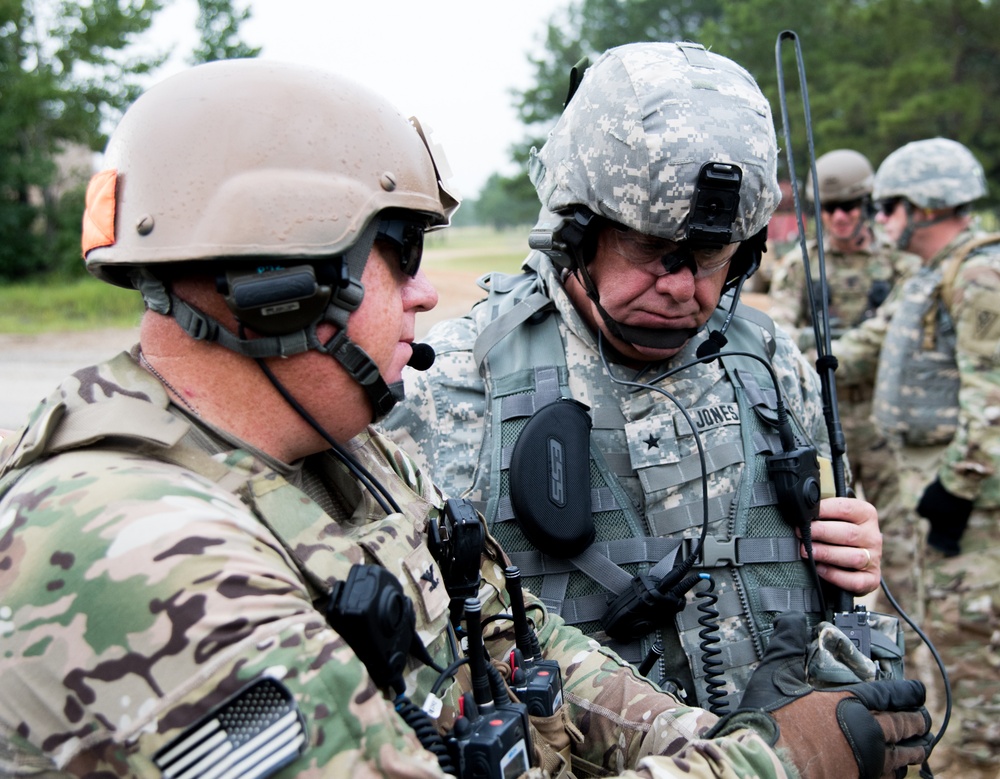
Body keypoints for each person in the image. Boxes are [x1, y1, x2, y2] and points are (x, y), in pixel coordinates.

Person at [0, 58, 932, 779]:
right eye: (399, 255)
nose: (425, 294)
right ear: (277, 281)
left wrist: (700, 735)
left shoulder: (343, 460)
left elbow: (510, 642)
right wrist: (777, 760)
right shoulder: (137, 551)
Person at [380, 41, 892, 716]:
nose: (683, 287)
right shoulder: (449, 390)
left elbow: (843, 583)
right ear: (575, 230)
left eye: (710, 257)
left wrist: (856, 563)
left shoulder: (768, 363)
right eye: (653, 250)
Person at [834, 137, 1000, 778]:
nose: (879, 219)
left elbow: (993, 398)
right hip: (931, 486)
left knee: (972, 639)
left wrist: (958, 491)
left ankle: (975, 761)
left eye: (890, 206)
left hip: (970, 505)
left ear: (925, 207)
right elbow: (861, 347)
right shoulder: (932, 275)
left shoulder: (978, 273)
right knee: (941, 632)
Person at [768, 149, 920, 510]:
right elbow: (779, 338)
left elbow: (890, 336)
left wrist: (821, 352)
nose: (839, 216)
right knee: (833, 525)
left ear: (867, 204)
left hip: (886, 417)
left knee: (901, 534)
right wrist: (806, 344)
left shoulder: (902, 265)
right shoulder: (799, 266)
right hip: (825, 417)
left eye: (849, 205)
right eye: (829, 206)